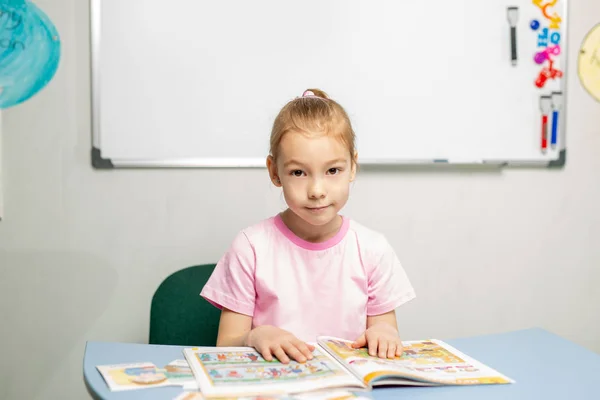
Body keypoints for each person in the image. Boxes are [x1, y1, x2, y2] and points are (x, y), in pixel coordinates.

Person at [200, 89, 415, 364]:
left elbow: (384, 328)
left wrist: (384, 333)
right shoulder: (250, 247)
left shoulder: (373, 249)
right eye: (298, 172)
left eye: (333, 170)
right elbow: (225, 345)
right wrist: (255, 335)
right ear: (274, 171)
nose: (316, 190)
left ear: (353, 167)